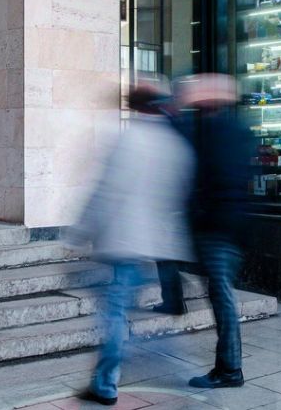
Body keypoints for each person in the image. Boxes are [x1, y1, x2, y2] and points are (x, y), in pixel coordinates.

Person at [75, 80, 194, 407]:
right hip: (155, 243)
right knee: (121, 306)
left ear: (134, 106)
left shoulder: (128, 140)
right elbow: (180, 192)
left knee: (114, 312)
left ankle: (106, 383)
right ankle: (140, 363)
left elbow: (107, 192)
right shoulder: (174, 143)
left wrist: (81, 231)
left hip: (124, 242)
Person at [177, 74, 251, 390]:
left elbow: (213, 180)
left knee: (221, 295)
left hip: (218, 228)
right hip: (225, 227)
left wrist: (200, 214)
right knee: (220, 294)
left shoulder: (216, 132)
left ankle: (230, 369)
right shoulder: (231, 129)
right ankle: (227, 367)